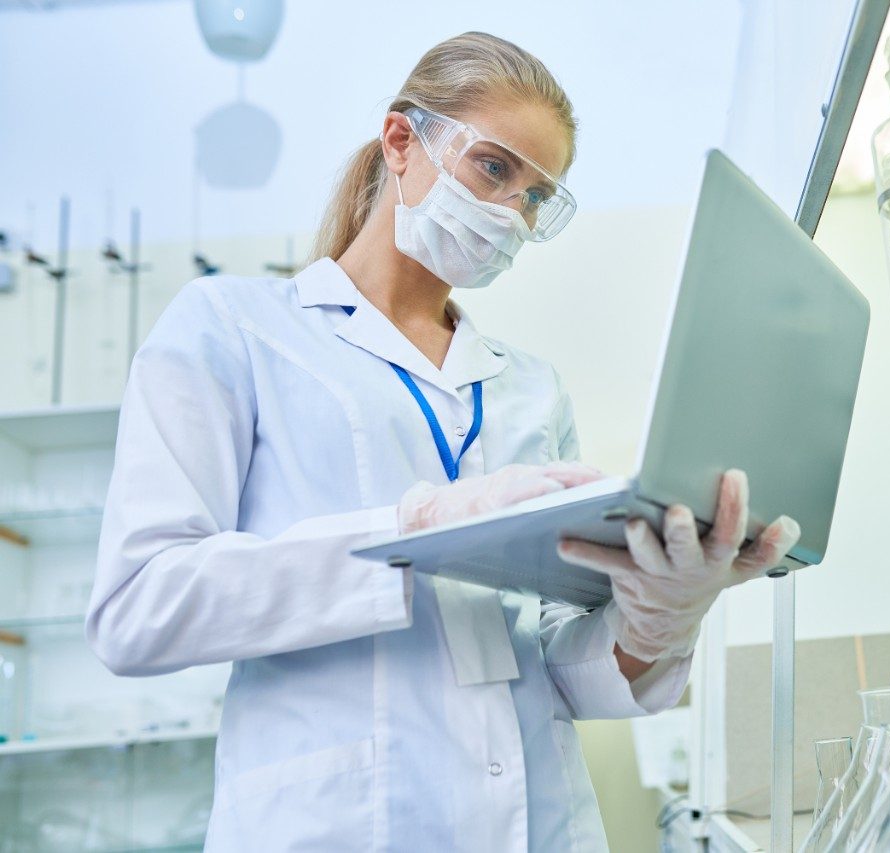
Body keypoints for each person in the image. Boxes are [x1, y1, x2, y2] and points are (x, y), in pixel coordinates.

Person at [87, 31, 799, 852]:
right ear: (402, 141)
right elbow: (137, 608)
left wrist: (658, 619)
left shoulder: (531, 386)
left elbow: (559, 671)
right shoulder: (235, 329)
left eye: (537, 197)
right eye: (495, 168)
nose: (510, 212)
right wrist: (414, 527)